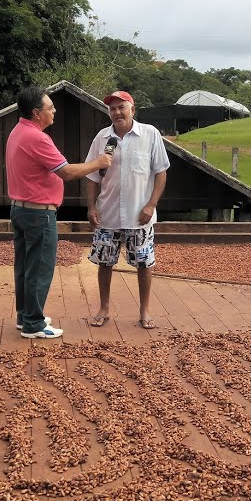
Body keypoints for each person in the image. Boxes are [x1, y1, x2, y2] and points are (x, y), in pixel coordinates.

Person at [7, 86, 112, 339]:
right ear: (36, 113)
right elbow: (65, 172)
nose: (54, 110)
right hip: (38, 214)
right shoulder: (37, 138)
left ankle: (25, 316)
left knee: (24, 266)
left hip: (20, 210)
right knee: (40, 268)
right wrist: (98, 163)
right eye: (50, 107)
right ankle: (33, 324)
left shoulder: (18, 131)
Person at [83, 90, 169, 329]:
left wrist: (151, 205)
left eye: (121, 107)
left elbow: (161, 172)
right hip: (107, 214)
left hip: (140, 215)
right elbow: (91, 176)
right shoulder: (102, 138)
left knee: (144, 264)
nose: (116, 112)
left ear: (133, 109)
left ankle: (144, 311)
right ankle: (103, 308)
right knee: (104, 262)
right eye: (112, 109)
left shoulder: (150, 134)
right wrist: (91, 207)